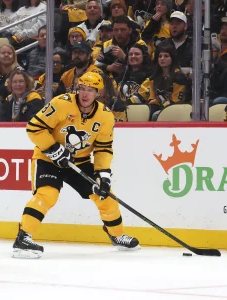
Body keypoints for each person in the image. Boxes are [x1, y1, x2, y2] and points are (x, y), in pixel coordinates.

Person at [12, 72, 140, 259]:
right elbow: (34, 127)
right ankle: (23, 238)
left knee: (105, 196)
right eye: (82, 89)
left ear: (98, 93)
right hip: (48, 159)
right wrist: (53, 148)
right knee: (47, 194)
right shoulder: (61, 103)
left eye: (90, 90)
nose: (85, 94)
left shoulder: (105, 117)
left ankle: (117, 235)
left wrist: (103, 174)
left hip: (78, 162)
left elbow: (103, 148)